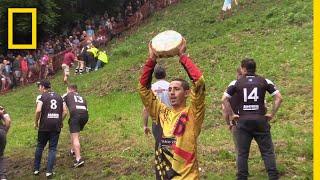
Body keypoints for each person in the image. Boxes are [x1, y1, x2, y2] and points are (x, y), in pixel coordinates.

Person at [139, 39, 205, 179]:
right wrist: (152, 60)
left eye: (176, 89)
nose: (171, 93)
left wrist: (182, 56)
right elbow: (143, 90)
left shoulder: (193, 113)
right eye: (170, 90)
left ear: (187, 93)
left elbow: (199, 82)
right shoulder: (162, 112)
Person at [222, 58, 283, 180]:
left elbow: (224, 99)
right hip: (260, 120)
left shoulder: (235, 83)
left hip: (243, 121)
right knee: (267, 152)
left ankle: (242, 177)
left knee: (242, 154)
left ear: (243, 68)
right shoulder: (264, 81)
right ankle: (273, 176)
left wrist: (233, 115)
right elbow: (279, 98)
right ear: (255, 68)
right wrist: (271, 113)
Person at [142, 65, 171, 179]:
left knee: (159, 146)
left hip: (157, 122)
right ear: (165, 74)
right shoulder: (171, 86)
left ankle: (161, 175)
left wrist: (145, 125)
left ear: (154, 76)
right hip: (170, 119)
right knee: (169, 145)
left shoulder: (151, 88)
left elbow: (146, 108)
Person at [33, 80, 67, 178]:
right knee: (52, 148)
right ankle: (49, 171)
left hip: (44, 125)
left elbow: (38, 110)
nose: (39, 88)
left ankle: (36, 169)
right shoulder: (60, 96)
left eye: (39, 86)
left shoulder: (41, 97)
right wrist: (60, 121)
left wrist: (36, 122)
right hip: (56, 125)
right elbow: (65, 111)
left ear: (43, 87)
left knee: (40, 146)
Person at [62, 84, 88, 167]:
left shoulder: (67, 95)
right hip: (85, 115)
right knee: (74, 132)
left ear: (69, 89)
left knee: (75, 136)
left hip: (76, 115)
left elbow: (63, 108)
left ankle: (78, 159)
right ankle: (73, 150)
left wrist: (60, 120)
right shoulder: (81, 96)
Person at [221, 67, 242, 154]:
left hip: (237, 121)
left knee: (239, 151)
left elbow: (224, 105)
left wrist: (229, 122)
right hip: (256, 120)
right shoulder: (256, 83)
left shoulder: (233, 85)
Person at [0, 106, 11, 180]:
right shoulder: (2, 112)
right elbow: (8, 121)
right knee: (0, 156)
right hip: (1, 133)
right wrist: (5, 130)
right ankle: (2, 176)